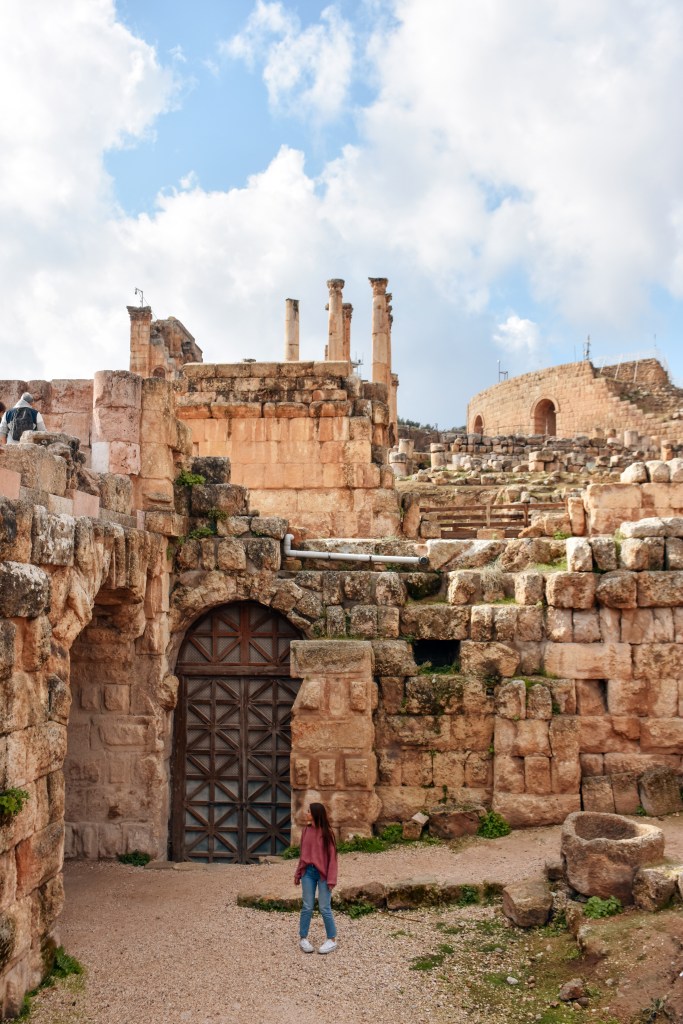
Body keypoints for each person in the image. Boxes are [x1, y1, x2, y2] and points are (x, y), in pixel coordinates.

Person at [294, 802, 338, 954]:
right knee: (307, 906)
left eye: (308, 811)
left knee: (325, 907)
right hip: (308, 873)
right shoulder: (306, 831)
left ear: (315, 814)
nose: (306, 813)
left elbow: (333, 858)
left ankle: (331, 939)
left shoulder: (327, 833)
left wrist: (332, 878)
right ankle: (303, 938)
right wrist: (298, 873)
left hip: (324, 874)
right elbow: (303, 854)